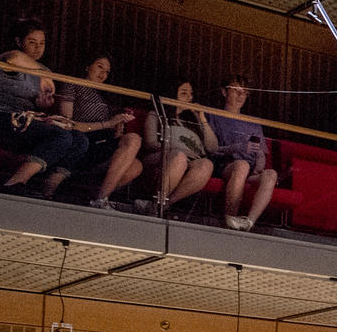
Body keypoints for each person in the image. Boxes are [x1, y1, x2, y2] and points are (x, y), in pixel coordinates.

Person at [0, 19, 90, 196]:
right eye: (32, 42)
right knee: (61, 136)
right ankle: (14, 184)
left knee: (80, 139)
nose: (38, 48)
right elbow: (15, 58)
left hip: (20, 123)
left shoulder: (44, 70)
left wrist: (43, 104)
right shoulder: (9, 58)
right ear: (19, 42)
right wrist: (45, 74)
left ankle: (47, 191)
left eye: (42, 43)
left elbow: (37, 104)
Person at [55, 55, 144, 209]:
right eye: (100, 67)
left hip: (103, 143)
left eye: (107, 71)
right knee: (134, 139)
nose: (103, 73)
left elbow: (114, 135)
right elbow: (67, 124)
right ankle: (100, 199)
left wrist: (118, 124)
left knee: (136, 165)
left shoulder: (106, 94)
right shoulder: (73, 85)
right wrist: (108, 123)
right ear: (87, 66)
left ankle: (96, 197)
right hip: (82, 141)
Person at [204, 77, 277, 231]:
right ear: (224, 92)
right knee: (241, 166)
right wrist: (235, 148)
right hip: (225, 164)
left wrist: (259, 166)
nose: (240, 96)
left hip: (249, 168)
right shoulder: (214, 116)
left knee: (271, 174)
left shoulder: (252, 122)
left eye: (244, 93)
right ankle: (230, 219)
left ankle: (249, 222)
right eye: (236, 90)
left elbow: (261, 152)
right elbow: (211, 149)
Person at [141, 80, 216, 214]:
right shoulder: (156, 114)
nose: (189, 98)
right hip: (161, 158)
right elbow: (150, 143)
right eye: (183, 93)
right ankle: (157, 201)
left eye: (191, 94)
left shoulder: (192, 121)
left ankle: (164, 204)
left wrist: (202, 118)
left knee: (206, 164)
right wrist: (177, 150)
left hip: (189, 161)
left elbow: (212, 148)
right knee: (179, 157)